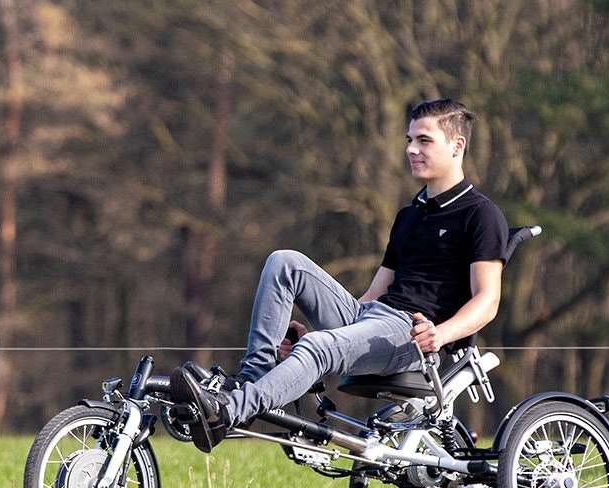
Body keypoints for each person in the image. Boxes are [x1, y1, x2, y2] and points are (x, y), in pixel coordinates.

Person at [170, 98, 509, 451]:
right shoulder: (409, 216)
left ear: (457, 146)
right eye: (409, 140)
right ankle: (251, 381)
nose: (411, 149)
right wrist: (325, 333)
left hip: (412, 334)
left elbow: (488, 300)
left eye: (424, 141)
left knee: (318, 347)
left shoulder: (480, 215)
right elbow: (374, 295)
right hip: (373, 317)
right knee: (285, 262)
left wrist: (440, 334)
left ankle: (226, 413)